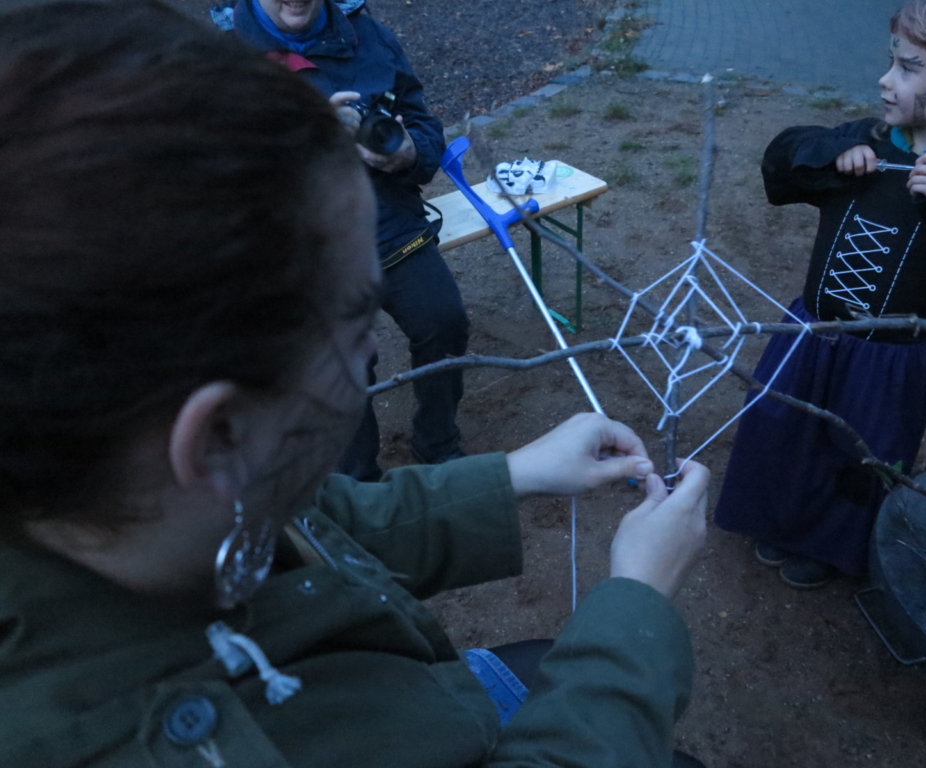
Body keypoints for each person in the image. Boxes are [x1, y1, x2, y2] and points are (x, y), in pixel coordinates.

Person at [0, 3, 711, 766]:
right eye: (355, 318)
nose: (375, 339)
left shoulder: (140, 504)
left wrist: (512, 476)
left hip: (431, 699)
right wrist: (635, 607)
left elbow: (308, 520)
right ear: (219, 437)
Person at [714, 0, 926, 589]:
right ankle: (776, 518)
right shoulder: (868, 140)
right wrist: (826, 156)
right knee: (784, 429)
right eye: (891, 61)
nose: (884, 79)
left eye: (908, 68)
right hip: (810, 334)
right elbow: (781, 162)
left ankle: (827, 546)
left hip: (886, 360)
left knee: (858, 454)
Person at [212, 0, 470, 480]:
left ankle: (437, 441)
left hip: (386, 221)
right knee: (345, 362)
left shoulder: (366, 35)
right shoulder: (220, 61)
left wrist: (409, 153)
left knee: (444, 320)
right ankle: (360, 484)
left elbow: (422, 125)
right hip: (296, 248)